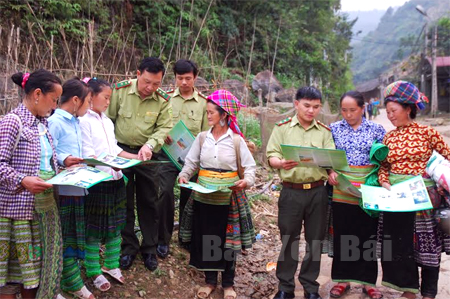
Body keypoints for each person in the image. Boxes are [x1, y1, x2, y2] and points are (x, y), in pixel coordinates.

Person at [178, 89, 255, 299]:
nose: (208, 115)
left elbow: (250, 168)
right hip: (204, 197)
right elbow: (191, 162)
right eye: (207, 111)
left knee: (227, 239)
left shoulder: (236, 141)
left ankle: (228, 284)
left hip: (228, 197)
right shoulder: (203, 138)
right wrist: (184, 176)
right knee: (208, 237)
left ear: (224, 115)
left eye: (212, 112)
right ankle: (210, 281)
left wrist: (245, 181)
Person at [379, 80, 450, 299]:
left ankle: (428, 292)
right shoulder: (388, 138)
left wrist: (441, 183)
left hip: (424, 199)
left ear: (408, 109)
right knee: (401, 246)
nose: (390, 115)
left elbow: (447, 158)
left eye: (394, 111)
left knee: (429, 248)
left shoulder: (428, 133)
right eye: (387, 111)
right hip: (397, 200)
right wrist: (384, 182)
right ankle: (409, 290)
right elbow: (383, 166)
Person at [266, 86, 336, 299]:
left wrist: (332, 172)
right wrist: (280, 163)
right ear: (296, 104)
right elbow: (271, 155)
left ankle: (310, 287)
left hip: (317, 192)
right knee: (289, 240)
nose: (311, 111)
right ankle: (285, 287)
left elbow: (331, 159)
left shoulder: (324, 131)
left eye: (316, 107)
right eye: (306, 105)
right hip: (291, 193)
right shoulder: (282, 128)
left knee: (314, 241)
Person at [0, 70, 63, 299]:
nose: (55, 106)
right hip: (16, 214)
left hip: (42, 210)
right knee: (10, 277)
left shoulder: (43, 125)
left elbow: (45, 162)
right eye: (54, 99)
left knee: (34, 276)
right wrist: (22, 180)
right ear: (38, 94)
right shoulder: (12, 122)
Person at [106, 57, 173, 271]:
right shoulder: (120, 91)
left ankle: (149, 249)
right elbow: (107, 120)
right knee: (123, 201)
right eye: (146, 82)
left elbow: (163, 127)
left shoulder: (162, 99)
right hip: (120, 152)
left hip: (146, 155)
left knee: (149, 201)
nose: (150, 88)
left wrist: (150, 144)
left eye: (156, 83)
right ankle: (128, 248)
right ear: (137, 74)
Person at [79, 78, 139, 292]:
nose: (107, 102)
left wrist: (135, 157)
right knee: (94, 229)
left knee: (116, 226)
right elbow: (87, 154)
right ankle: (93, 270)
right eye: (105, 98)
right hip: (97, 182)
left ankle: (111, 265)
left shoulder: (107, 121)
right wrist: (108, 164)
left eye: (109, 98)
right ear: (91, 96)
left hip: (115, 179)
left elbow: (114, 148)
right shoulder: (83, 121)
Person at [328, 91, 385, 299]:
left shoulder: (377, 129)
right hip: (342, 190)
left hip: (368, 189)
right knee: (343, 234)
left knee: (367, 234)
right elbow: (327, 157)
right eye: (344, 110)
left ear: (363, 108)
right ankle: (343, 280)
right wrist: (330, 172)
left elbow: (382, 160)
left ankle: (368, 282)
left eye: (353, 110)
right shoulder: (333, 129)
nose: (348, 114)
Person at [156, 59, 209, 257]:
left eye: (188, 78)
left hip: (192, 159)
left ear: (195, 77)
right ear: (175, 78)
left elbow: (206, 134)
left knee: (189, 196)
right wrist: (163, 134)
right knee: (165, 193)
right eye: (180, 78)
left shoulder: (204, 103)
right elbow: (157, 124)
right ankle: (163, 239)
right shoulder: (165, 99)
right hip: (168, 155)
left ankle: (186, 237)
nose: (184, 82)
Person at [48, 78, 94, 299]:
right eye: (87, 102)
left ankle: (71, 279)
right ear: (76, 100)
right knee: (62, 237)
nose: (89, 107)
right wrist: (65, 159)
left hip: (77, 186)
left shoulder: (75, 121)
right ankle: (58, 284)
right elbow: (49, 150)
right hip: (63, 190)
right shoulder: (55, 121)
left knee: (75, 235)